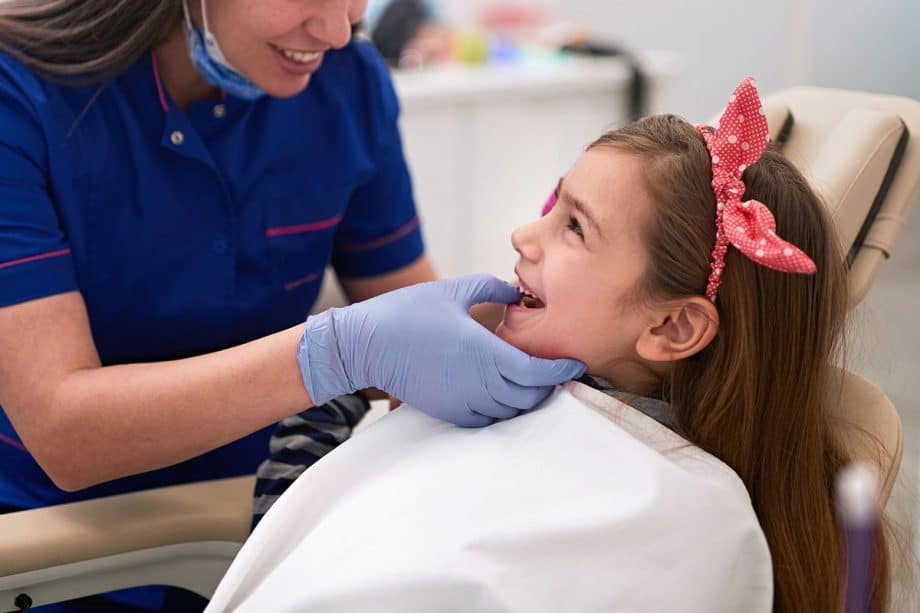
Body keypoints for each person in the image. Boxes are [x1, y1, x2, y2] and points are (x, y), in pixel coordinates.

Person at [207, 79, 891, 612]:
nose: (522, 237)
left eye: (575, 228)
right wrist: (350, 377)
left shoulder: (683, 516)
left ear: (672, 328)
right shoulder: (498, 398)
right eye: (552, 206)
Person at [0, 1, 583, 611]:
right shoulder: (20, 97)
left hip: (268, 521)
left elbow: (425, 330)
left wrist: (585, 302)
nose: (336, 33)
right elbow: (65, 434)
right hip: (58, 548)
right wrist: (331, 354)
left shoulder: (345, 83)